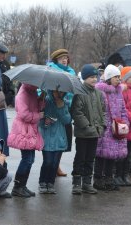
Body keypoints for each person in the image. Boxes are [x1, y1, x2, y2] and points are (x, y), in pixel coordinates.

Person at [70, 64, 106, 195]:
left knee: (91, 158)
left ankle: (86, 183)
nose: (94, 79)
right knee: (80, 157)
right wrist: (87, 126)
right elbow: (77, 112)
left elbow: (103, 111)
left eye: (95, 77)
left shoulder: (99, 94)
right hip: (83, 133)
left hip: (95, 132)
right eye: (91, 77)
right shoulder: (79, 93)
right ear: (84, 78)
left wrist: (102, 126)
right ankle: (76, 183)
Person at [93, 65, 128, 191]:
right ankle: (98, 179)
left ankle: (108, 178)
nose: (119, 79)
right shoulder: (101, 92)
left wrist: (125, 123)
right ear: (108, 78)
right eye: (116, 77)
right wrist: (103, 124)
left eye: (119, 77)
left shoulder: (119, 92)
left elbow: (123, 109)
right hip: (105, 128)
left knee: (112, 155)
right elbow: (98, 110)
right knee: (101, 155)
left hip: (116, 128)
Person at [7, 83, 45, 198]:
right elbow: (24, 115)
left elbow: (36, 107)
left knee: (30, 159)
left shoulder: (32, 91)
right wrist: (39, 116)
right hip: (23, 130)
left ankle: (22, 186)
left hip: (30, 129)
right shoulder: (23, 94)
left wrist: (41, 99)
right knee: (27, 159)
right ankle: (17, 187)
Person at [48, 48, 76, 177]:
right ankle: (51, 166)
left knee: (64, 141)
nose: (64, 60)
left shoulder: (71, 72)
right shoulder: (50, 71)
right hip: (53, 109)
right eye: (61, 58)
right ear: (56, 60)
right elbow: (42, 90)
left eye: (66, 57)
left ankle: (57, 164)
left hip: (67, 109)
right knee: (52, 142)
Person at [38, 90, 71, 194]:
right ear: (52, 91)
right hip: (46, 137)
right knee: (47, 162)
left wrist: (61, 107)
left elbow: (67, 120)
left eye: (62, 92)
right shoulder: (46, 100)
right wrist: (45, 121)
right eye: (57, 92)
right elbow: (40, 120)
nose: (59, 94)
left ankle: (51, 183)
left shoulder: (65, 102)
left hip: (60, 137)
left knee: (55, 163)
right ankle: (42, 182)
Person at [0, 43, 15, 107]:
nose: (4, 56)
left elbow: (10, 79)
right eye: (2, 54)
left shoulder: (6, 64)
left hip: (5, 96)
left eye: (5, 54)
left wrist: (11, 93)